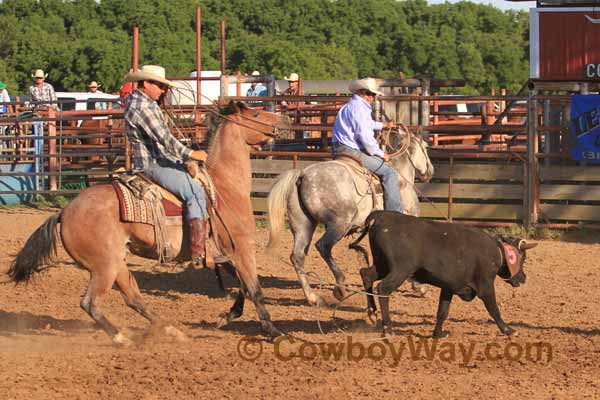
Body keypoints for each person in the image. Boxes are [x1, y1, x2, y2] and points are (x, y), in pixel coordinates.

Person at [123, 65, 209, 264]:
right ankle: (198, 250)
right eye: (160, 86)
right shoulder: (141, 106)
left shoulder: (143, 102)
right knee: (195, 191)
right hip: (153, 164)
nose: (163, 91)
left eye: (164, 87)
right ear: (146, 83)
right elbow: (165, 139)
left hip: (159, 158)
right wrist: (191, 153)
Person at [331, 77, 402, 213]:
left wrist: (383, 125)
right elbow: (365, 138)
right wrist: (381, 154)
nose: (372, 97)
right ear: (360, 92)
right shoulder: (360, 109)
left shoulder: (350, 106)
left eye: (373, 95)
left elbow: (365, 124)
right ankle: (395, 214)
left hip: (338, 148)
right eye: (369, 94)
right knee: (389, 173)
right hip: (351, 150)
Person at [0, 81, 13, 147]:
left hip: (3, 115)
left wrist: (11, 116)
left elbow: (8, 104)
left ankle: (6, 148)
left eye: (1, 89)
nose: (1, 90)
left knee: (6, 129)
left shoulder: (4, 91)